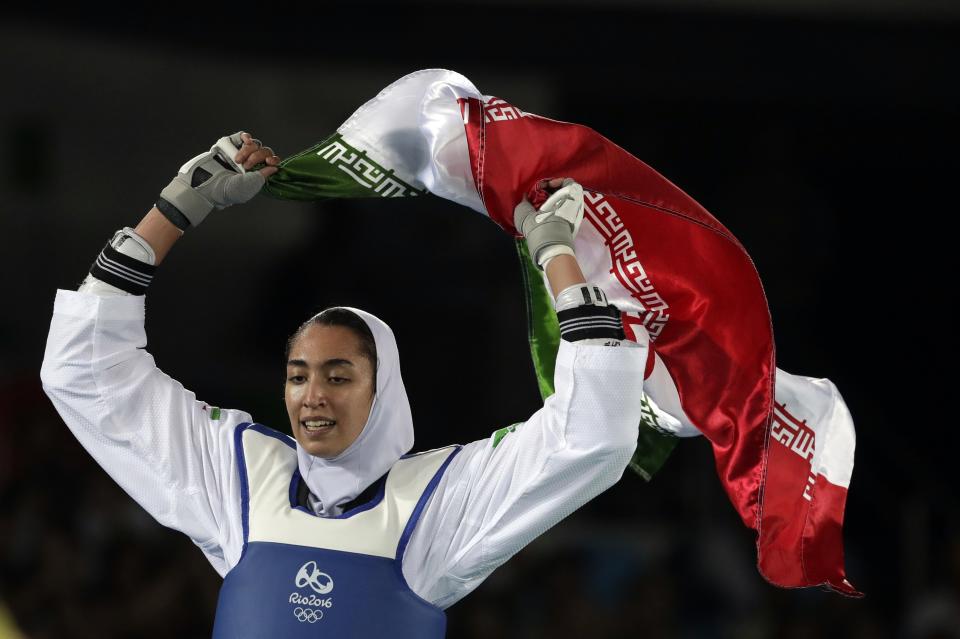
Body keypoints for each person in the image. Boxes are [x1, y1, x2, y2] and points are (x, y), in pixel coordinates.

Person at [40, 132, 650, 637]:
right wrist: (173, 211)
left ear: (381, 392)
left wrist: (557, 261)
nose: (314, 396)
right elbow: (86, 375)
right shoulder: (242, 478)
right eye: (298, 376)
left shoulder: (435, 506)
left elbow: (592, 435)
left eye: (339, 376)